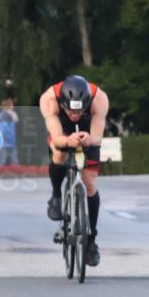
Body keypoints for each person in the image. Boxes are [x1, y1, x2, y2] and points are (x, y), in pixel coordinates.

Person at [39, 75, 109, 266]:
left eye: (79, 111)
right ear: (63, 103)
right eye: (71, 110)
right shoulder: (49, 100)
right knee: (59, 154)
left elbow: (97, 138)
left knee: (90, 184)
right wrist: (67, 141)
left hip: (89, 130)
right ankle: (56, 196)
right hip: (62, 129)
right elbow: (57, 137)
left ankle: (91, 241)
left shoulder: (99, 99)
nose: (75, 115)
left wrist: (89, 140)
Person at [0, 98, 19, 166]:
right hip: (5, 140)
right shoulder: (3, 115)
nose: (13, 107)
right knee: (3, 158)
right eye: (11, 105)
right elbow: (1, 127)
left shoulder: (5, 114)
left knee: (13, 158)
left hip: (10, 140)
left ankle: (17, 172)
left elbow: (16, 119)